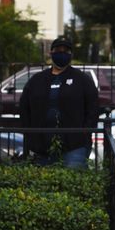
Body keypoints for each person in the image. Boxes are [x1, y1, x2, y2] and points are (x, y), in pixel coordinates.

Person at [20, 36, 99, 169]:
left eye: (65, 51)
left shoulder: (82, 80)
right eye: (58, 50)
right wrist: (30, 134)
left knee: (72, 184)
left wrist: (84, 133)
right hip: (41, 147)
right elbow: (24, 107)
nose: (61, 53)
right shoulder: (37, 80)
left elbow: (93, 108)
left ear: (71, 55)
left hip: (74, 146)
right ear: (51, 53)